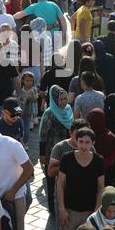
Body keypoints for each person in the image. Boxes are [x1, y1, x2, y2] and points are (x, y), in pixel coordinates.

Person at [57, 127, 105, 230]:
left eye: (87, 142)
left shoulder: (98, 161)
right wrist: (61, 209)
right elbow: (60, 184)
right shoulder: (67, 159)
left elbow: (101, 187)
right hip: (69, 211)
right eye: (81, 142)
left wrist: (96, 211)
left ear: (93, 143)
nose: (84, 145)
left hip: (89, 212)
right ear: (76, 142)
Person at [39, 85, 74, 214]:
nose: (64, 102)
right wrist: (42, 154)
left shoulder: (68, 110)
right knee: (51, 179)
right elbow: (42, 135)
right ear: (54, 100)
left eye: (65, 98)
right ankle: (52, 208)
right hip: (52, 152)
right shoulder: (49, 113)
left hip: (68, 150)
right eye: (61, 99)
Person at [86, 108, 115, 186]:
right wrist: (106, 163)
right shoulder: (109, 135)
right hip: (107, 172)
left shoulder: (86, 136)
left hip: (89, 171)